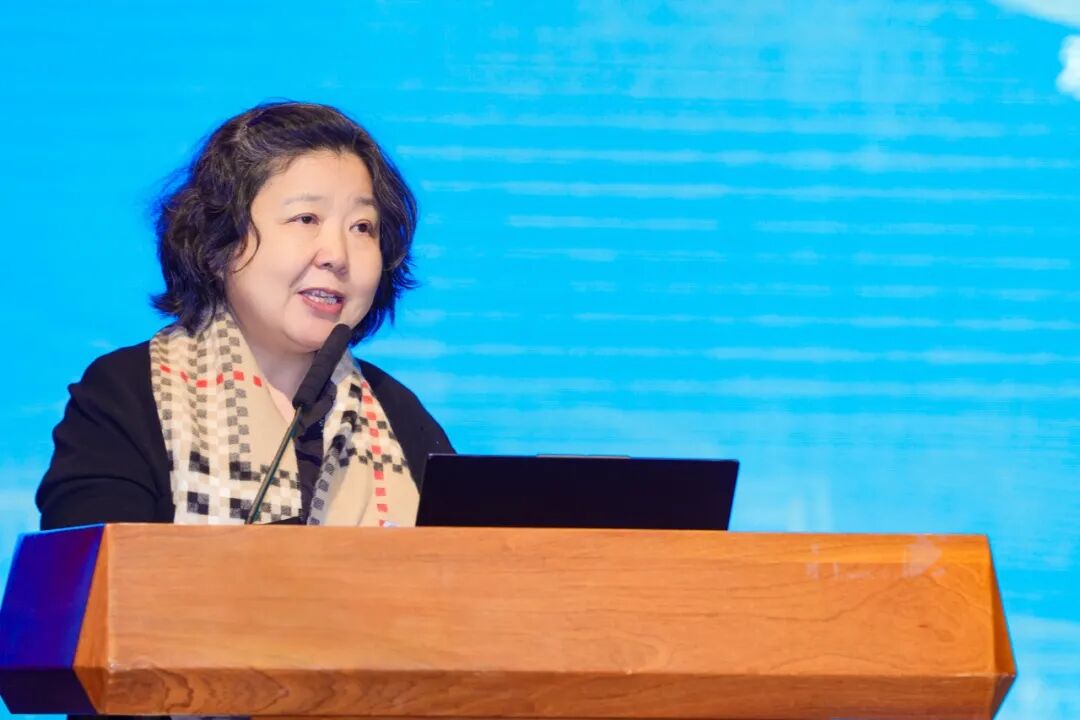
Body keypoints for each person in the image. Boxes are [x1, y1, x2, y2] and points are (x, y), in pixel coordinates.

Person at [37, 101, 453, 531]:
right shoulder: (126, 395)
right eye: (306, 218)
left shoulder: (399, 414)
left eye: (362, 227)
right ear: (220, 244)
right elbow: (92, 567)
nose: (337, 255)